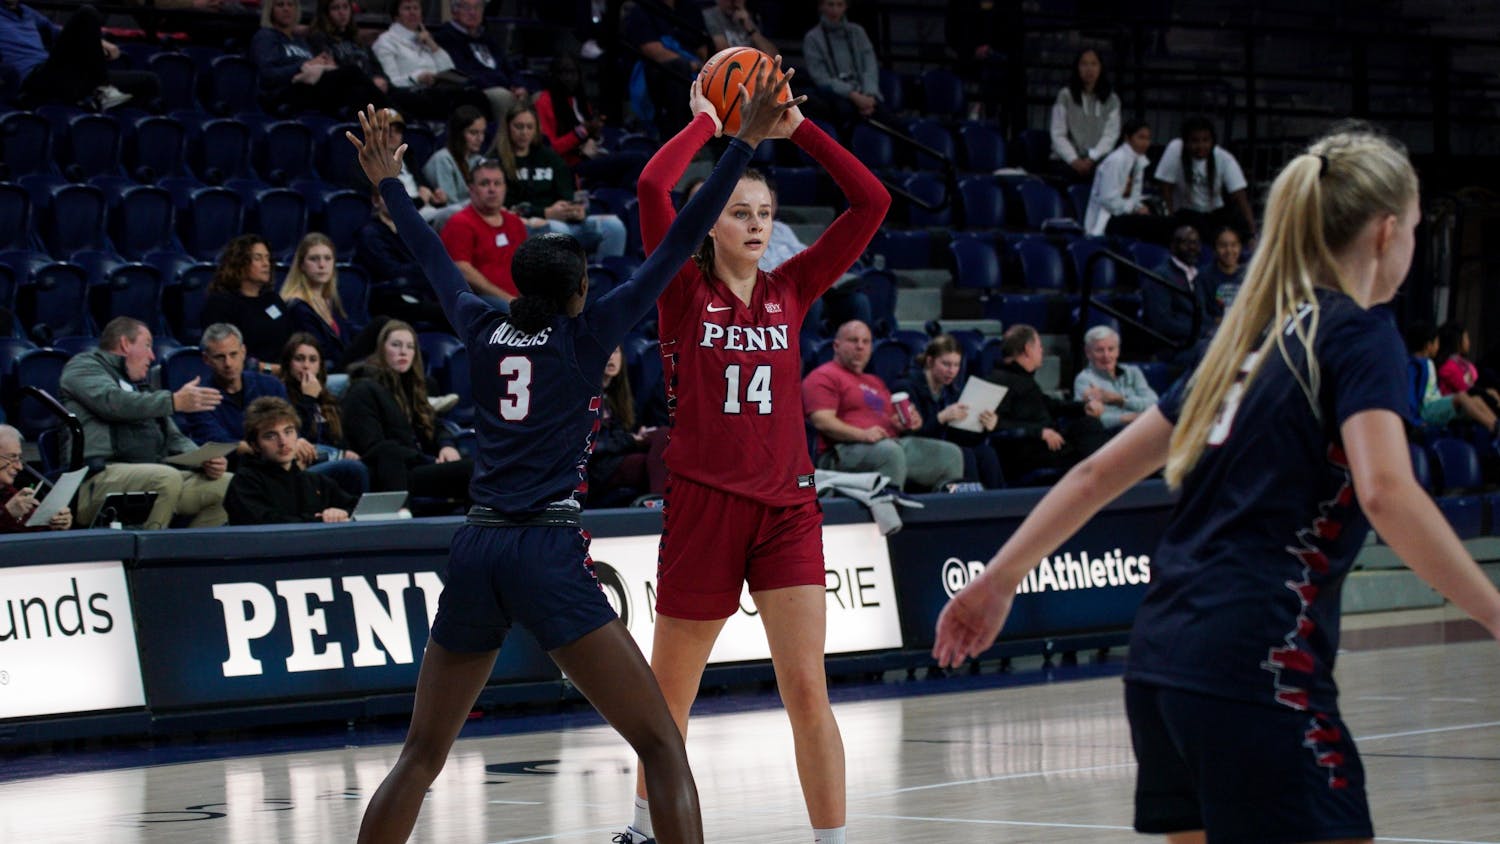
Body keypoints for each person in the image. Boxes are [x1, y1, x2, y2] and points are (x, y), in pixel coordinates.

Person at [934, 124, 1500, 844]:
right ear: (1388, 232)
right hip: (1259, 668)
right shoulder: (1360, 336)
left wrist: (999, 578)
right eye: (1417, 229)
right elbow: (1387, 491)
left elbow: (1096, 471)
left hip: (1163, 664)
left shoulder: (1245, 338)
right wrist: (1493, 611)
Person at [347, 72, 792, 840]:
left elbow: (430, 259)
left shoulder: (483, 328)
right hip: (545, 549)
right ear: (582, 289)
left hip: (477, 543)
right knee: (659, 743)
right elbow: (685, 238)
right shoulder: (587, 337)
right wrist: (743, 141)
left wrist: (390, 183)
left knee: (420, 755)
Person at [621, 73, 887, 844]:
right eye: (740, 211)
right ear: (710, 222)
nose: (756, 224)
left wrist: (799, 129)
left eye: (766, 213)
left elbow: (872, 204)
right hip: (704, 502)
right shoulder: (679, 287)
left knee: (808, 688)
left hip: (787, 508)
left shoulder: (794, 287)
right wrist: (711, 126)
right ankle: (641, 831)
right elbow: (650, 185)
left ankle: (831, 840)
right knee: (670, 695)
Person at [59, 317, 232, 530]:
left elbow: (174, 438)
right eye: (147, 345)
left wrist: (204, 460)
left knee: (226, 485)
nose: (152, 356)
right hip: (98, 478)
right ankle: (147, 559)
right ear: (125, 344)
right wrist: (173, 401)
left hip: (153, 475)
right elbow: (112, 402)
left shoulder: (142, 388)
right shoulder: (83, 366)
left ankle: (187, 557)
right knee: (165, 478)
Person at [804, 319, 966, 491]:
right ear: (836, 346)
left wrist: (907, 422)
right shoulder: (824, 376)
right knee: (889, 453)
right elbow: (822, 421)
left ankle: (942, 515)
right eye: (853, 340)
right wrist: (862, 435)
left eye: (866, 342)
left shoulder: (875, 382)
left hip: (887, 444)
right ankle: (890, 515)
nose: (860, 346)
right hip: (841, 451)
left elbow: (893, 420)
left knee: (951, 455)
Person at [341, 319, 471, 501]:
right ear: (381, 349)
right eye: (396, 345)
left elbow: (437, 426)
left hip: (421, 465)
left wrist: (446, 446)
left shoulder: (413, 387)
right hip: (396, 473)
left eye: (410, 347)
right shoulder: (363, 388)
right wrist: (428, 460)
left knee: (478, 466)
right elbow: (375, 447)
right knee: (472, 470)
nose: (403, 352)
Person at [496, 103, 628, 258]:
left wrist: (575, 210)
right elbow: (504, 205)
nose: (524, 132)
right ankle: (566, 281)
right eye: (519, 126)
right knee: (560, 232)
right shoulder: (498, 162)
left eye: (529, 127)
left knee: (614, 227)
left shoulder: (549, 157)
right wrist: (545, 212)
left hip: (562, 220)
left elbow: (568, 192)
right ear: (508, 128)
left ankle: (603, 281)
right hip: (527, 223)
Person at [986, 323, 1108, 481]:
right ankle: (1103, 481)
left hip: (1046, 443)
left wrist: (1083, 407)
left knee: (1087, 425)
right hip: (1027, 450)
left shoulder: (1023, 378)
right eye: (1039, 347)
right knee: (1090, 431)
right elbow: (996, 424)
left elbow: (1050, 405)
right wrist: (1039, 432)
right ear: (1028, 349)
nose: (1042, 351)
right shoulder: (998, 380)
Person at [891, 334, 1003, 489]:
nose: (952, 371)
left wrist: (985, 426)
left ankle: (998, 506)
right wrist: (941, 418)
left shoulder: (951, 391)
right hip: (915, 450)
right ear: (930, 361)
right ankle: (971, 506)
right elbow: (911, 434)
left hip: (944, 448)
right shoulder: (907, 387)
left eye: (956, 365)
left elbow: (959, 436)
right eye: (946, 364)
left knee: (986, 453)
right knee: (965, 455)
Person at [225, 396, 358, 525]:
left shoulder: (316, 482)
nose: (283, 442)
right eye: (270, 436)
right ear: (255, 445)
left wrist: (341, 513)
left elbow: (358, 508)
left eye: (288, 432)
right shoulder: (245, 482)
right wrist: (320, 520)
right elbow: (266, 525)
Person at [3, 0, 158, 111]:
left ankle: (113, 139)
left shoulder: (27, 12)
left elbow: (58, 33)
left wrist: (100, 43)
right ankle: (102, 89)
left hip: (66, 75)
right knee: (87, 12)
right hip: (35, 78)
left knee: (148, 81)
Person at [251, 0, 387, 117]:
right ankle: (395, 116)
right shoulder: (265, 36)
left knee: (358, 90)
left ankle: (389, 123)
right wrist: (302, 66)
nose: (286, 9)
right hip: (284, 93)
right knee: (351, 72)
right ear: (270, 10)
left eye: (290, 4)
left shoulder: (299, 41)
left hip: (311, 88)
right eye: (280, 5)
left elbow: (313, 65)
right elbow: (267, 75)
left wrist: (324, 63)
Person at [183, 323, 293, 460]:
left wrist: (297, 442)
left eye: (233, 354)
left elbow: (292, 425)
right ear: (206, 359)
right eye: (220, 357)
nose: (228, 363)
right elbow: (220, 443)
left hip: (281, 456)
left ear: (243, 352)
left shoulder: (271, 385)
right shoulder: (199, 400)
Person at [355, 187, 456, 331]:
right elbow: (390, 271)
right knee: (450, 311)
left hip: (420, 290)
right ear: (376, 201)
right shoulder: (370, 234)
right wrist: (424, 268)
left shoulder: (409, 229)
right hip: (392, 297)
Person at [372, 0, 491, 122]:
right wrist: (418, 77)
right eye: (407, 9)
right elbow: (390, 81)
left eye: (416, 8)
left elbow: (449, 69)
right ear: (396, 15)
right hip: (410, 93)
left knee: (477, 96)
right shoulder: (385, 42)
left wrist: (432, 44)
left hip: (440, 89)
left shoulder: (425, 39)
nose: (413, 13)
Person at [280, 232, 381, 371]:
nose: (322, 265)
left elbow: (348, 332)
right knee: (381, 324)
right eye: (314, 259)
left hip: (341, 362)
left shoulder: (328, 299)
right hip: (325, 369)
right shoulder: (297, 306)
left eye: (327, 258)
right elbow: (317, 352)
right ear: (301, 265)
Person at [1154, 115, 1258, 244]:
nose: (1200, 146)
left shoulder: (1224, 158)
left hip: (1214, 213)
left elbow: (1240, 197)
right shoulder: (1175, 149)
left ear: (1212, 141)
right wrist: (1170, 218)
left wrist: (1252, 233)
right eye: (1194, 141)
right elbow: (1166, 187)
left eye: (1205, 140)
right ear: (1185, 142)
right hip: (1185, 212)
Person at [439, 159, 528, 307]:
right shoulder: (459, 223)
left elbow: (527, 266)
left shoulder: (515, 222)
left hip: (517, 300)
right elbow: (462, 270)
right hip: (481, 302)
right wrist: (509, 300)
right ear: (471, 189)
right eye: (485, 184)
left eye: (497, 183)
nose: (492, 189)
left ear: (505, 187)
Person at [200, 235, 294, 371]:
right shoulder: (221, 303)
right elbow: (220, 351)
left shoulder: (272, 299)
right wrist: (271, 369)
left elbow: (290, 338)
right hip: (248, 376)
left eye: (267, 258)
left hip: (285, 373)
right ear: (239, 263)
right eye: (258, 258)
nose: (266, 263)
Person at [588, 346, 669, 505]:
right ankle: (659, 500)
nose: (611, 357)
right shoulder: (587, 397)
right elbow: (594, 445)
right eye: (606, 352)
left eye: (616, 352)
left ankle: (660, 500)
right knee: (645, 463)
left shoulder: (618, 397)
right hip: (596, 467)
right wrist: (631, 440)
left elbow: (622, 434)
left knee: (663, 434)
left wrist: (636, 436)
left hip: (617, 455)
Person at [622, 0, 711, 140]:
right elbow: (652, 50)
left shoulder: (690, 9)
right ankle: (676, 137)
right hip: (655, 71)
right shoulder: (642, 10)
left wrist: (703, 67)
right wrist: (690, 64)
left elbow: (702, 47)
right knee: (677, 68)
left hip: (695, 68)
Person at [432, 0, 529, 125]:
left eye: (478, 7)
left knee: (537, 96)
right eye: (467, 8)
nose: (473, 12)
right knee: (502, 96)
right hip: (477, 90)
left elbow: (508, 66)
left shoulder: (486, 36)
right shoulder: (446, 37)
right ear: (454, 11)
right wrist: (503, 85)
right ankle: (503, 143)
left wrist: (518, 85)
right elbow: (463, 72)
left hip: (502, 86)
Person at [1141, 225, 1222, 368]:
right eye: (1186, 243)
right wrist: (1205, 331)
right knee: (1213, 349)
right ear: (1173, 246)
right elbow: (1162, 323)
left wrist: (1217, 326)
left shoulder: (1196, 275)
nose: (1193, 248)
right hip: (1175, 348)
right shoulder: (1160, 276)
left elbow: (1202, 315)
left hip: (1197, 341)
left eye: (1196, 243)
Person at [801, 0, 889, 128]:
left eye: (839, 5)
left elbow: (870, 67)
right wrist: (853, 95)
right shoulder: (812, 38)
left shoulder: (858, 32)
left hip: (865, 95)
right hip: (836, 98)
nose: (835, 10)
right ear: (821, 6)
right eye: (830, 4)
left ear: (846, 6)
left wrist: (869, 95)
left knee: (893, 123)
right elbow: (821, 78)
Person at [1406, 321, 1498, 436]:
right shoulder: (1415, 366)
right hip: (1426, 410)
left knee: (1476, 400)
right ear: (1428, 345)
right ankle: (1492, 426)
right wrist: (1415, 421)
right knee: (1462, 397)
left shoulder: (1428, 363)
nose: (1438, 346)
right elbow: (1410, 396)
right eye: (1437, 342)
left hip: (1435, 404)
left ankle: (1496, 424)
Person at [1050, 48, 1121, 183]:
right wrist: (1074, 160)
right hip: (1066, 161)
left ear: (1101, 68)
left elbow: (1110, 135)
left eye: (1094, 64)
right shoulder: (1065, 95)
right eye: (1084, 64)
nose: (1089, 69)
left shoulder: (1112, 100)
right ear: (1077, 68)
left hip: (1096, 161)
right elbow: (1058, 134)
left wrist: (1092, 159)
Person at [1072, 325, 1159, 431]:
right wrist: (1125, 419)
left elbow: (1154, 403)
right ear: (1088, 353)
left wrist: (1120, 400)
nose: (1106, 355)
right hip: (1111, 435)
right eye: (1099, 350)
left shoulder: (1132, 372)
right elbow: (1089, 420)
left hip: (1142, 429)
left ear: (1118, 351)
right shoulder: (1084, 380)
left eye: (1111, 349)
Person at [1085, 119, 1157, 238]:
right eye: (1141, 137)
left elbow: (1135, 195)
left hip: (1124, 214)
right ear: (1127, 138)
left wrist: (1138, 207)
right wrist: (1133, 208)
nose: (1145, 143)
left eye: (1148, 138)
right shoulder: (1116, 160)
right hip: (1107, 218)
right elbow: (1108, 200)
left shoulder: (1139, 161)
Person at [307, 0, 392, 97]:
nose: (342, 12)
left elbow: (376, 66)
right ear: (326, 13)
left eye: (345, 7)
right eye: (335, 8)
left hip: (376, 88)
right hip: (350, 93)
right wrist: (371, 82)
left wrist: (381, 79)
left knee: (405, 97)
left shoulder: (355, 37)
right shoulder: (319, 38)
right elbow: (335, 71)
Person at [0, 424, 71, 533]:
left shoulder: (8, 492)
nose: (19, 467)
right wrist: (6, 514)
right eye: (12, 457)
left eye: (19, 458)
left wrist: (53, 523)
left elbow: (32, 531)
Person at [421, 106, 487, 211]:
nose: (480, 138)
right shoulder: (443, 159)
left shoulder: (479, 160)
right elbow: (450, 206)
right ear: (459, 134)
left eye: (482, 132)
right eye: (473, 133)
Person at [1436, 321, 1500, 414]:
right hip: (1455, 407)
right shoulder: (1449, 365)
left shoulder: (1463, 364)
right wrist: (1487, 394)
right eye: (1466, 338)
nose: (1469, 341)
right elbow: (1466, 389)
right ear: (1457, 341)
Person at [1198, 225, 1246, 312]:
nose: (1229, 250)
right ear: (1214, 249)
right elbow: (1204, 315)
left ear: (1240, 247)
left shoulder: (1250, 274)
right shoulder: (1204, 277)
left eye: (1234, 245)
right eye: (1223, 246)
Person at [703, 0, 777, 54]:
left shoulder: (749, 17)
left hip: (753, 66)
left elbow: (773, 55)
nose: (734, 2)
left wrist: (748, 25)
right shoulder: (711, 15)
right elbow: (724, 53)